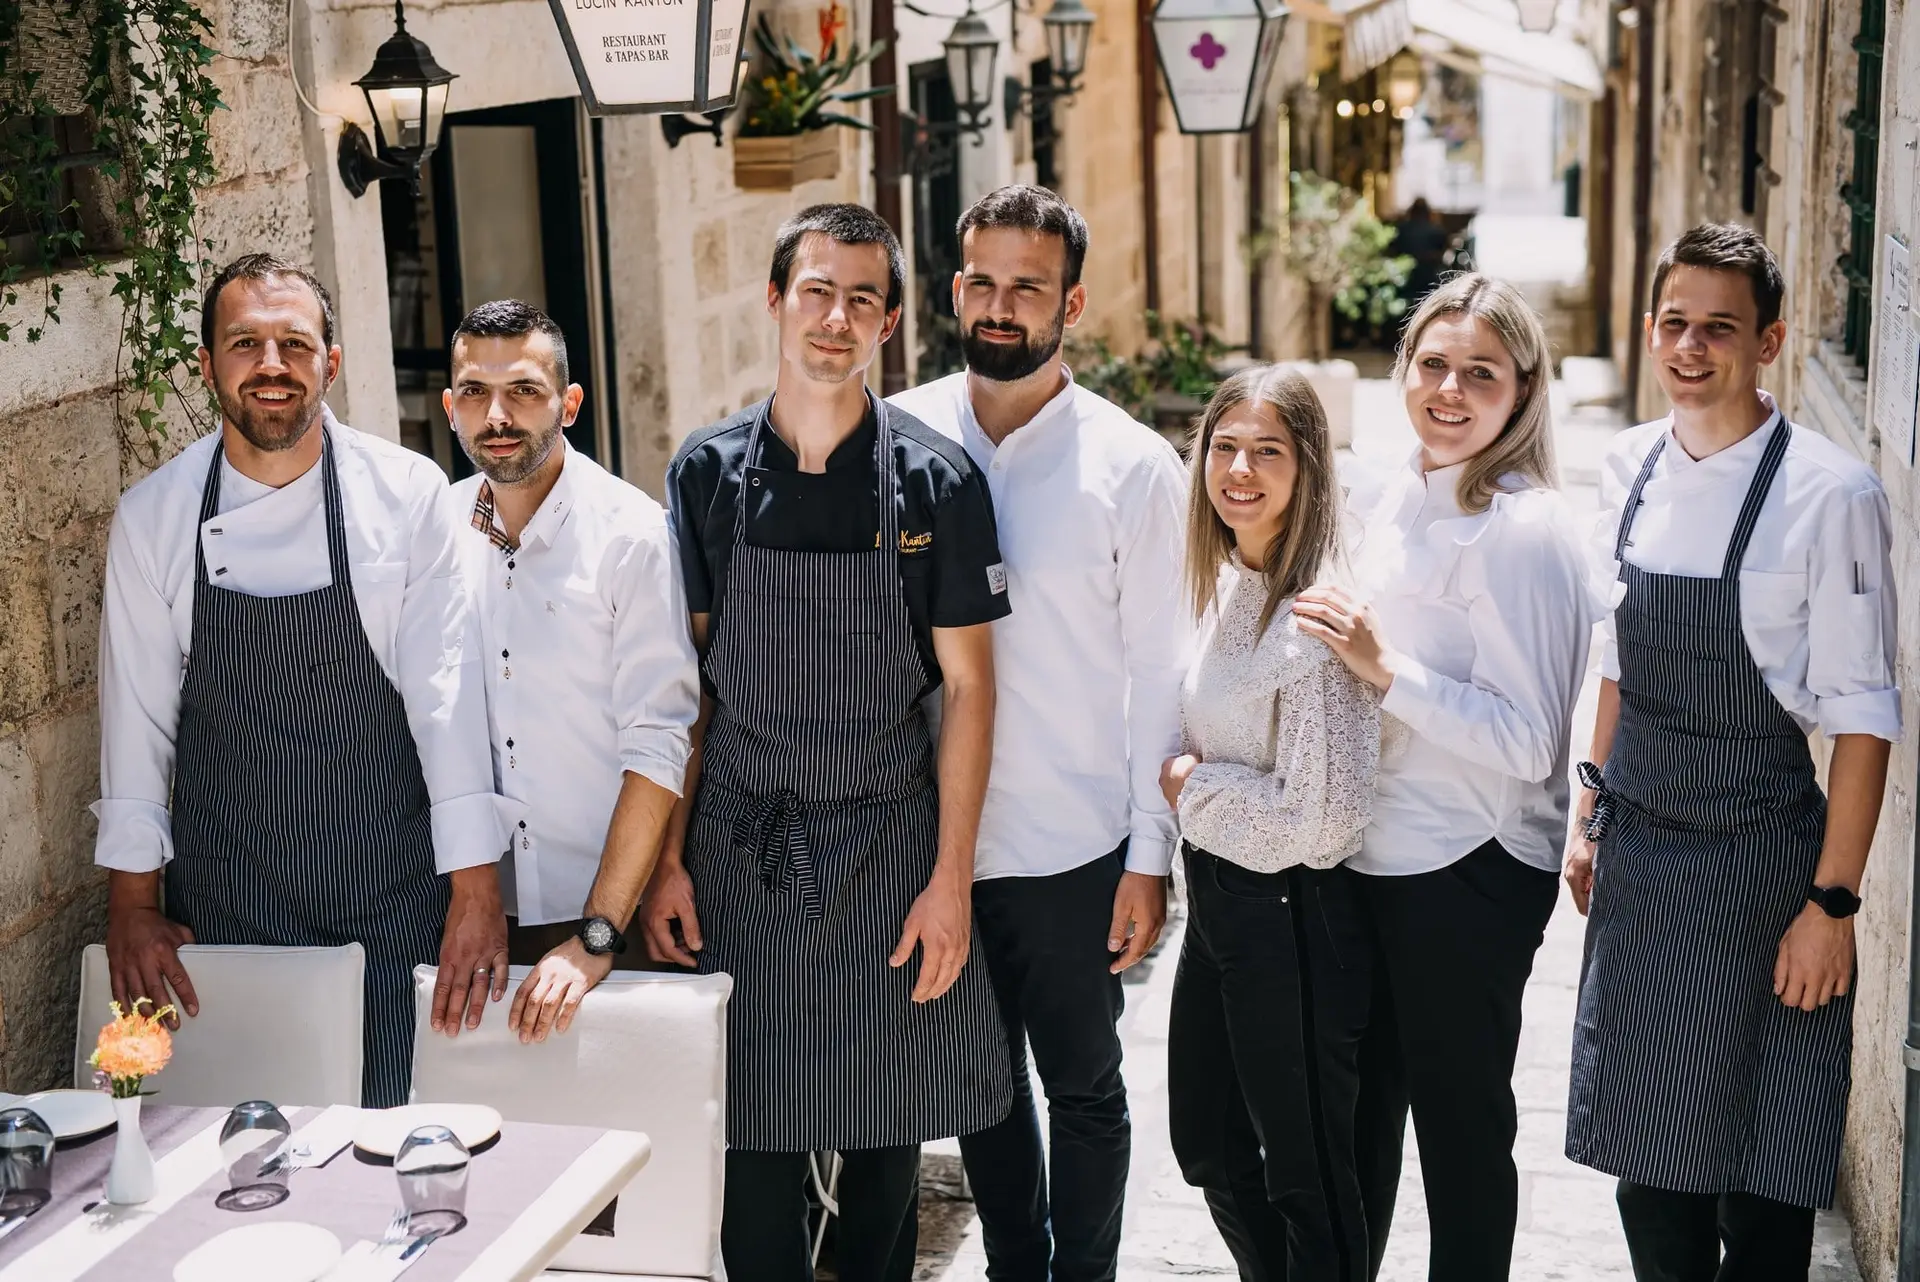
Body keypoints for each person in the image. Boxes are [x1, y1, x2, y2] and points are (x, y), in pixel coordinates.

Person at [641, 204, 1013, 1282]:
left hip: (888, 845)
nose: (836, 318)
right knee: (751, 1147)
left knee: (886, 1145)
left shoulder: (937, 483)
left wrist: (950, 883)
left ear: (891, 322)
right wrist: (668, 856)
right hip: (740, 847)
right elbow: (690, 693)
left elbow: (970, 690)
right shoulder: (707, 473)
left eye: (862, 298)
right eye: (817, 290)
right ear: (775, 300)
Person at [94, 253, 512, 1107]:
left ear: (332, 361)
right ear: (207, 365)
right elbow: (136, 722)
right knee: (249, 1148)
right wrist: (133, 904)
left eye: (294, 342)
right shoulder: (155, 517)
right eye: (245, 343)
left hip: (393, 888)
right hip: (231, 898)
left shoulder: (405, 494)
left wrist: (477, 890)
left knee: (400, 1138)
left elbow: (445, 701)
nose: (272, 365)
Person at [1564, 224, 1898, 1281]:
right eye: (1674, 324)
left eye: (1720, 328)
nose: (1691, 347)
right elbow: (1619, 662)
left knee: (1765, 1181)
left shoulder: (1829, 495)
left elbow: (1863, 718)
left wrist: (1832, 907)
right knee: (1649, 1177)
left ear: (1770, 343)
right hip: (1646, 865)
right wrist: (1591, 813)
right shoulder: (1625, 467)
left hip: (1769, 877)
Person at [889, 184, 1188, 1282]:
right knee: (980, 1088)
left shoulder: (1133, 466)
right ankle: (1018, 1263)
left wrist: (1150, 860)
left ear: (1074, 305)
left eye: (1029, 286)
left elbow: (1164, 668)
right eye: (983, 282)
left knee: (1085, 1086)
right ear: (955, 288)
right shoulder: (898, 433)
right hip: (929, 846)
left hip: (1074, 842)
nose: (1001, 305)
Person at [1293, 273, 1597, 1280]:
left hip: (1467, 870)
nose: (1451, 389)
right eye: (1433, 364)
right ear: (1403, 369)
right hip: (1366, 855)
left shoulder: (1526, 531)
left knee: (1460, 1134)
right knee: (1357, 1125)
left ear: (1523, 389)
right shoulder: (1387, 493)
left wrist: (1389, 672)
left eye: (1481, 373)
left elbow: (1529, 744)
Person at [1161, 368, 1381, 1282]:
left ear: (1309, 468)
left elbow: (1319, 818)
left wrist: (1189, 788)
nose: (1240, 469)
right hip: (1218, 912)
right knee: (1206, 1142)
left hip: (1293, 914)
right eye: (1224, 447)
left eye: (1268, 451)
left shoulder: (1318, 618)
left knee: (1308, 1175)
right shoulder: (1228, 587)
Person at [445, 300, 699, 1043]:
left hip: (613, 922)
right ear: (450, 407)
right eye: (475, 393)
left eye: (523, 390)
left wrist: (595, 938)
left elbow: (659, 744)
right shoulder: (436, 531)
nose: (498, 415)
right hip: (481, 922)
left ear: (569, 403)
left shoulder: (632, 535)